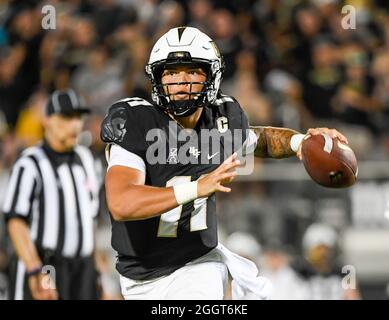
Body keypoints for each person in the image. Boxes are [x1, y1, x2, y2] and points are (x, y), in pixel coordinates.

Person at [101, 26, 348, 300]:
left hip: (197, 262)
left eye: (192, 71)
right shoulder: (136, 121)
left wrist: (301, 142)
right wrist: (197, 188)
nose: (181, 82)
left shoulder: (222, 119)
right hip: (136, 274)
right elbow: (121, 202)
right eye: (171, 72)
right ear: (157, 77)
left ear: (212, 76)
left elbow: (260, 140)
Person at [3, 89, 100, 300]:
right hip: (46, 266)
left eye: (78, 117)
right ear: (47, 120)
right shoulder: (30, 163)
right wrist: (33, 269)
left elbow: (89, 219)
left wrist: (97, 275)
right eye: (66, 117)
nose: (75, 124)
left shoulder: (87, 160)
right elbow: (15, 221)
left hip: (82, 269)